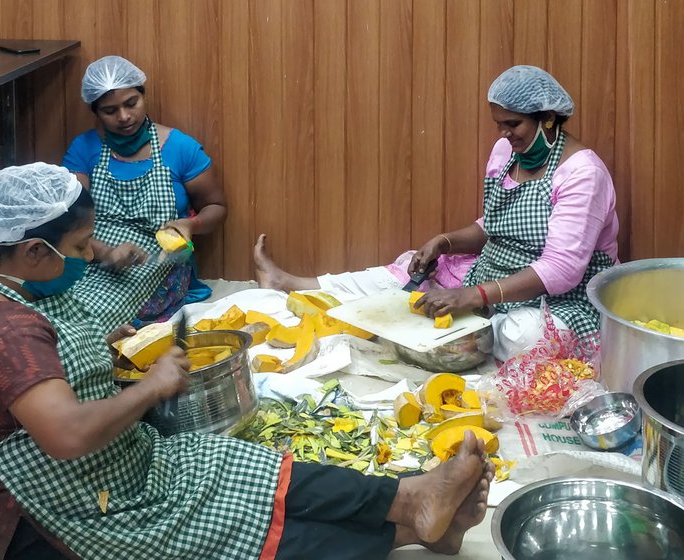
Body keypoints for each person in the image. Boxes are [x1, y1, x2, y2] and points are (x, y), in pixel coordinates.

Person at [0, 163, 493, 560]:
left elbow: (51, 359)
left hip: (109, 463)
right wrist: (151, 387)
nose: (91, 256)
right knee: (227, 530)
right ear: (35, 251)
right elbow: (64, 434)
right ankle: (414, 529)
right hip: (48, 503)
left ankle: (410, 498)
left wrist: (109, 343)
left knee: (241, 467)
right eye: (84, 246)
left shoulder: (24, 289)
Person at [255, 65, 619, 362]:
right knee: (407, 273)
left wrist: (474, 296)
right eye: (499, 124)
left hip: (559, 298)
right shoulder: (505, 152)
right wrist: (444, 242)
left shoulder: (583, 173)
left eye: (514, 125)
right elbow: (494, 224)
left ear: (549, 119)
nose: (505, 134)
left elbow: (562, 270)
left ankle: (467, 334)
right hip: (492, 274)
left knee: (524, 337)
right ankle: (292, 283)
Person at [63, 55, 227, 327]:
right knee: (51, 303)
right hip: (88, 250)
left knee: (94, 314)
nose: (124, 117)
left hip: (155, 260)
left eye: (131, 103)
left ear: (143, 95)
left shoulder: (180, 148)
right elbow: (68, 218)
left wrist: (190, 223)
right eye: (110, 110)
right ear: (95, 112)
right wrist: (105, 252)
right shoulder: (84, 149)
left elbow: (217, 207)